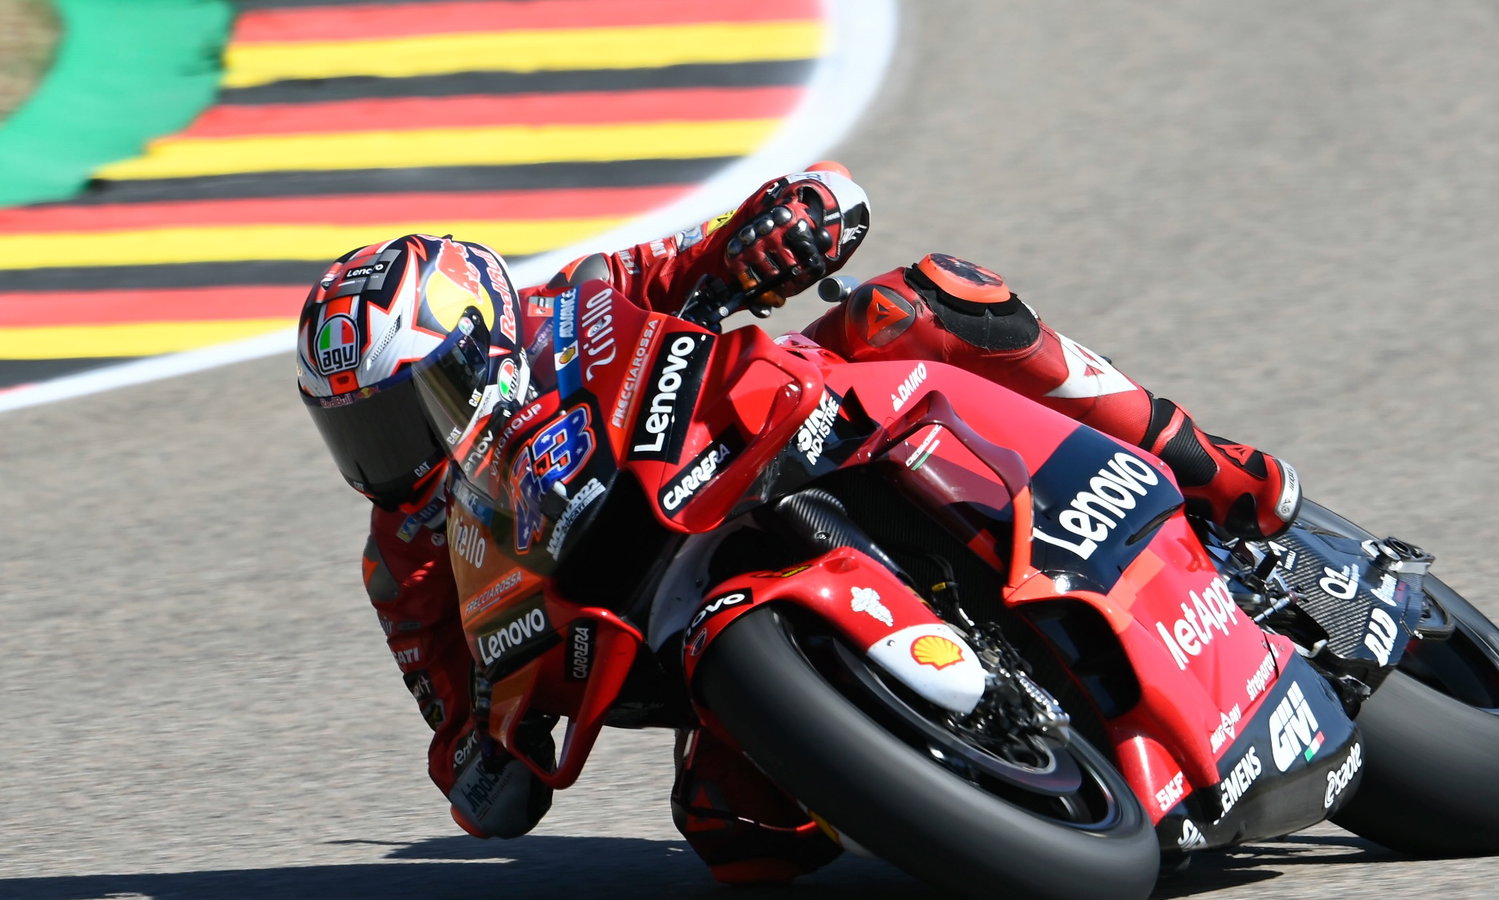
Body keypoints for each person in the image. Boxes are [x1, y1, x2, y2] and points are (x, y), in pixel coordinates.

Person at [295, 164, 1300, 883]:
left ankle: (1214, 471)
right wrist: (484, 760)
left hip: (781, 441)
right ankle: (963, 787)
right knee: (735, 836)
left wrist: (791, 219)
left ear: (481, 347)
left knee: (923, 302)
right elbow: (458, 743)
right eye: (363, 435)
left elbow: (733, 235)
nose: (394, 457)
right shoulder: (405, 562)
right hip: (671, 628)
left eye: (407, 409)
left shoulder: (579, 303)